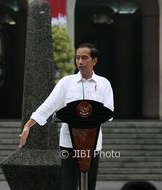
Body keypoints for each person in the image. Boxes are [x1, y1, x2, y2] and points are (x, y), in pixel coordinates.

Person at [18, 43, 114, 190]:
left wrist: (89, 116)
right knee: (68, 184)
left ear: (94, 61)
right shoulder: (66, 83)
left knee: (89, 185)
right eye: (77, 58)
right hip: (68, 142)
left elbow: (109, 112)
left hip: (93, 142)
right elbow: (48, 105)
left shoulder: (104, 83)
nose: (80, 62)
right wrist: (28, 125)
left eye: (84, 58)